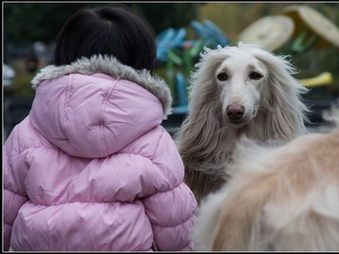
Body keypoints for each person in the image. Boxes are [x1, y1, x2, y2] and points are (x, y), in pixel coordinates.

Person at [3, 6, 197, 251]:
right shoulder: (154, 141)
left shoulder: (26, 133)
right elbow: (174, 231)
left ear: (64, 54)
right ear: (142, 61)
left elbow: (5, 217)